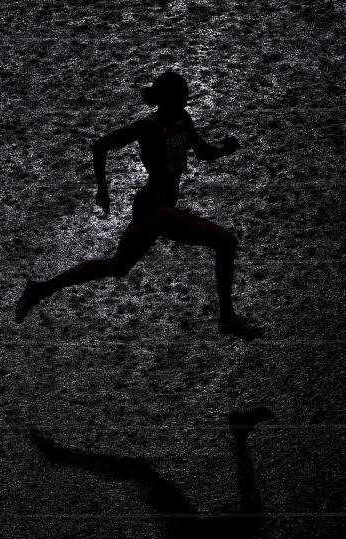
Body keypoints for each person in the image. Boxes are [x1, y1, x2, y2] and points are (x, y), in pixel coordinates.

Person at [15, 71, 261, 339]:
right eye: (183, 95)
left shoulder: (183, 121)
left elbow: (203, 152)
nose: (188, 99)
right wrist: (103, 191)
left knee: (117, 267)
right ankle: (227, 318)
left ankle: (40, 289)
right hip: (156, 209)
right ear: (168, 99)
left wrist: (224, 150)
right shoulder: (149, 127)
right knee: (225, 242)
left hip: (152, 210)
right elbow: (101, 146)